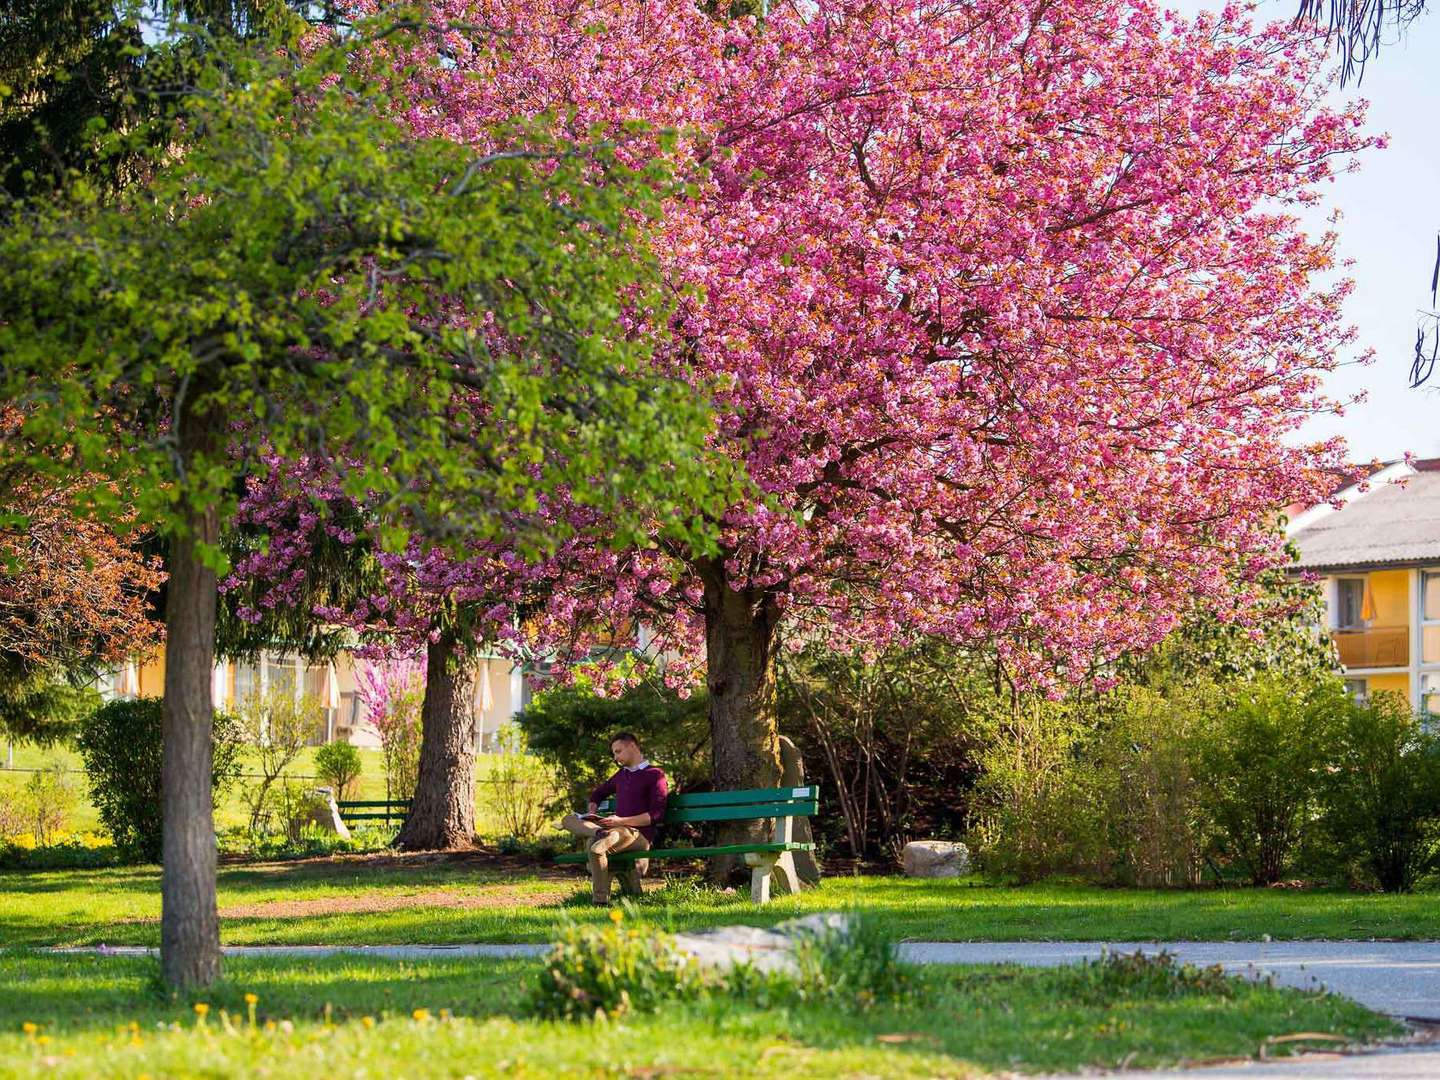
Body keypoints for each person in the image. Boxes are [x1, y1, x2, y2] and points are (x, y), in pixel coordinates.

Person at [560, 731, 668, 904]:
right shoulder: (622, 775)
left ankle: (600, 900)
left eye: (618, 751)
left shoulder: (655, 775)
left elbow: (655, 815)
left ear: (632, 746)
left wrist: (620, 821)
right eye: (614, 753)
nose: (615, 757)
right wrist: (594, 803)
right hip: (615, 831)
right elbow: (600, 792)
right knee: (568, 820)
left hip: (638, 835)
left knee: (594, 847)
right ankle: (600, 832)